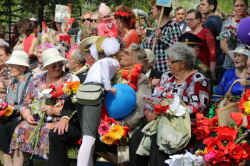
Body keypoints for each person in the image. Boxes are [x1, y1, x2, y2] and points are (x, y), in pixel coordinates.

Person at [129, 42, 211, 166]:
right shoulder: (167, 76)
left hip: (185, 127)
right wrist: (148, 111)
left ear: (182, 63)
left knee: (159, 141)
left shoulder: (198, 80)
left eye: (171, 61)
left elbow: (198, 107)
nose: (167, 64)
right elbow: (153, 98)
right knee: (136, 138)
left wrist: (167, 109)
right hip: (160, 123)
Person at [9, 48, 79, 164]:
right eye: (53, 65)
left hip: (59, 120)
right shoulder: (37, 81)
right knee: (21, 128)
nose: (57, 67)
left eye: (59, 64)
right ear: (46, 67)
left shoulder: (70, 80)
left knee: (48, 131)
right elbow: (25, 103)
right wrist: (26, 115)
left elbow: (75, 106)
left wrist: (54, 111)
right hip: (36, 120)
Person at [95, 43, 152, 165]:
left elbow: (141, 109)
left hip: (128, 126)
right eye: (122, 51)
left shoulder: (141, 79)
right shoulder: (113, 75)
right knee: (92, 139)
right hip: (108, 122)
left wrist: (122, 124)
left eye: (127, 53)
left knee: (125, 148)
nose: (121, 54)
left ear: (136, 59)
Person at [48, 36, 99, 166]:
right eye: (89, 55)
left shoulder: (111, 74)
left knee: (90, 141)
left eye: (95, 55)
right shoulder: (80, 77)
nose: (91, 59)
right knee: (55, 133)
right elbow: (70, 101)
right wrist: (65, 118)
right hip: (80, 122)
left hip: (101, 123)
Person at [76, 36, 120, 166]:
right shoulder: (111, 61)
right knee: (89, 139)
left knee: (87, 138)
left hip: (82, 94)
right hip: (93, 94)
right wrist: (108, 87)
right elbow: (106, 65)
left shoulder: (95, 64)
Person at [0, 51, 33, 166]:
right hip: (13, 115)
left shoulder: (31, 81)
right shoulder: (13, 83)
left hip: (27, 116)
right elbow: (9, 102)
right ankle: (7, 162)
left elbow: (29, 104)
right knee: (1, 124)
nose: (9, 68)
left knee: (9, 126)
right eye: (9, 65)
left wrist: (12, 107)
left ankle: (15, 161)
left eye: (13, 65)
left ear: (23, 67)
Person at [138, 0, 182, 72]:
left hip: (166, 70)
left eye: (153, 8)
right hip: (154, 70)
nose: (151, 10)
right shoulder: (156, 27)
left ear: (160, 10)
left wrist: (162, 38)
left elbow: (179, 48)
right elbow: (151, 49)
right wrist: (144, 38)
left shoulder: (173, 25)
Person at [186, 9, 216, 81]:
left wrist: (212, 71)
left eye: (191, 19)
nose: (188, 21)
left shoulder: (206, 32)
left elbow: (212, 53)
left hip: (203, 69)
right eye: (187, 19)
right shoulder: (185, 34)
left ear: (199, 19)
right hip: (188, 70)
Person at [199, 0, 225, 85]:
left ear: (211, 7)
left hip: (213, 63)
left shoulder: (209, 22)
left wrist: (211, 68)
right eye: (200, 4)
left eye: (203, 4)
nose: (200, 6)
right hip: (220, 61)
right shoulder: (217, 19)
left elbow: (209, 46)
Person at [219, 0, 248, 69]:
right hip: (230, 62)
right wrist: (232, 56)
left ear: (247, 7)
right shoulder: (227, 23)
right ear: (234, 7)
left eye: (242, 5)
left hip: (247, 61)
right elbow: (222, 43)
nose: (239, 8)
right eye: (237, 6)